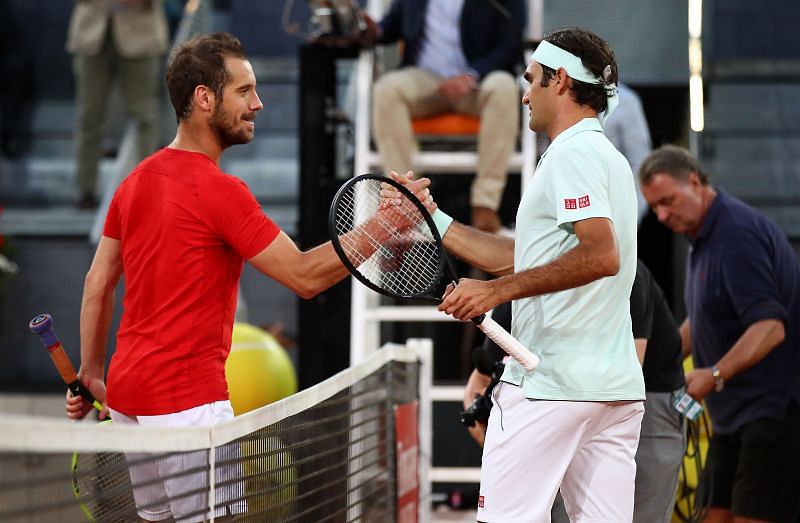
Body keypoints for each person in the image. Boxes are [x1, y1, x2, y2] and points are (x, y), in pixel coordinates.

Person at [65, 32, 433, 522]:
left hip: (132, 400)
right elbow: (304, 276)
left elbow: (96, 285)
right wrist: (387, 223)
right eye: (244, 91)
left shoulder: (134, 181)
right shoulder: (221, 191)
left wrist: (90, 374)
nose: (257, 104)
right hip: (189, 406)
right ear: (203, 99)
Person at [390, 27, 645, 522]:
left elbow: (600, 256)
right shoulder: (606, 157)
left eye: (532, 80)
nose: (525, 94)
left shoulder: (572, 153)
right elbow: (526, 256)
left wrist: (493, 292)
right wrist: (434, 220)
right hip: (611, 392)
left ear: (561, 81)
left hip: (549, 387)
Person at [639, 144, 800, 523]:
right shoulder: (702, 238)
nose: (662, 215)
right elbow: (707, 314)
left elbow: (770, 327)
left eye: (668, 201)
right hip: (734, 417)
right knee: (711, 516)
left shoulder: (736, 236)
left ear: (694, 182)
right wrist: (664, 359)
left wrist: (714, 375)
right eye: (655, 207)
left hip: (773, 412)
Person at [467, 258, 687, 523]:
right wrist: (490, 434)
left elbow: (628, 372)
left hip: (638, 395)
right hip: (563, 395)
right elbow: (476, 386)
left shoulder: (627, 275)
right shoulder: (524, 286)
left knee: (639, 514)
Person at [364, 0, 525, 232]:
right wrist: (374, 30)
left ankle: (485, 204)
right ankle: (406, 199)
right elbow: (393, 25)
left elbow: (511, 44)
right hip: (426, 80)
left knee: (504, 87)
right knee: (387, 90)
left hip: (478, 82)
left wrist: (472, 75)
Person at [67, 0, 168, 209]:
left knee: (145, 116)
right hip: (91, 35)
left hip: (140, 35)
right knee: (89, 117)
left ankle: (148, 191)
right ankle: (86, 189)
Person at [602, 82, 652, 224]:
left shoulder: (625, 100)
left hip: (611, 210)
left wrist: (633, 216)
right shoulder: (562, 94)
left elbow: (640, 163)